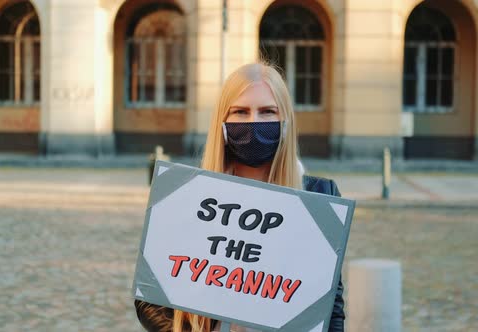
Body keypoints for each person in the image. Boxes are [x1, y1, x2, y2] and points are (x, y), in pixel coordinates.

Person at [135, 62, 345, 332]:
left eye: (268, 111)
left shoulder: (319, 198)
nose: (253, 123)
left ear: (285, 122)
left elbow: (331, 307)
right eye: (241, 112)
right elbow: (149, 300)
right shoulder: (185, 196)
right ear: (223, 122)